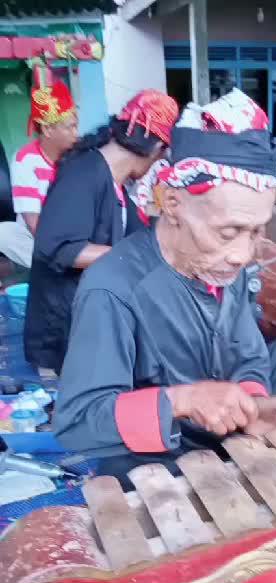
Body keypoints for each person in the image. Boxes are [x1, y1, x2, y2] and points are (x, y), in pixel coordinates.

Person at [53, 88, 276, 490]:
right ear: (173, 205)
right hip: (167, 453)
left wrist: (253, 400)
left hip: (225, 429)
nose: (241, 254)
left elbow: (248, 351)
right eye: (228, 232)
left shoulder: (223, 266)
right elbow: (78, 424)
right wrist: (184, 400)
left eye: (255, 232)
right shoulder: (113, 287)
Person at [24, 89, 179, 376]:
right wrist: (130, 257)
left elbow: (144, 237)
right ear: (155, 149)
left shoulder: (114, 184)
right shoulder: (84, 175)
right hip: (62, 334)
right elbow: (57, 248)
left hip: (89, 323)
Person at [0, 79, 77, 269]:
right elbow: (33, 223)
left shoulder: (80, 156)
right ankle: (59, 265)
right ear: (48, 129)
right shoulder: (25, 160)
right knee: (4, 233)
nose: (76, 133)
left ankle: (64, 265)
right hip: (42, 238)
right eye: (70, 127)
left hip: (76, 235)